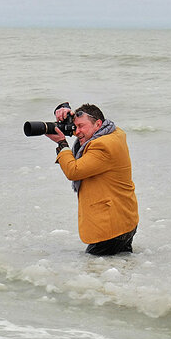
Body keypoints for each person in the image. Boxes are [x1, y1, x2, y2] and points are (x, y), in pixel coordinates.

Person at [47, 103, 138, 255]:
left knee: (95, 271)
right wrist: (64, 111)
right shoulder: (113, 132)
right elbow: (90, 113)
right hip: (124, 221)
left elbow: (74, 171)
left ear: (98, 124)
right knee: (117, 269)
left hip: (110, 228)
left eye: (81, 126)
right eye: (75, 127)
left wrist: (61, 143)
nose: (77, 132)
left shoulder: (102, 145)